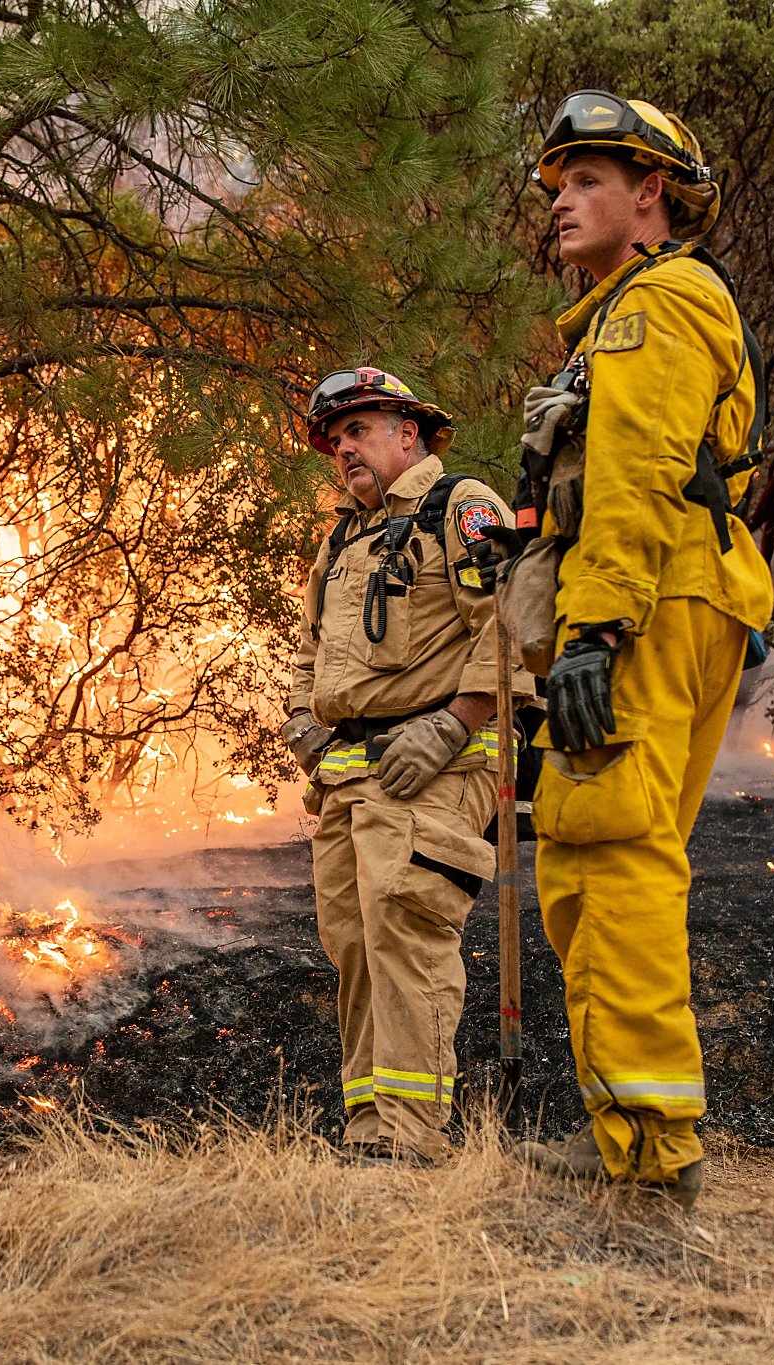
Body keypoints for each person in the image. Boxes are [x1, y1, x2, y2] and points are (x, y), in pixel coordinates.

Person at [516, 92, 774, 1211]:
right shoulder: (632, 312)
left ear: (648, 194)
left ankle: (645, 1149)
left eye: (584, 181)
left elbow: (632, 475)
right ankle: (625, 1121)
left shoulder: (653, 302)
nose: (560, 203)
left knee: (608, 855)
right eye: (556, 186)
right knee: (604, 854)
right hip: (668, 595)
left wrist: (591, 632)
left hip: (645, 603)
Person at [282, 369, 535, 1165]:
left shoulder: (459, 508)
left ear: (410, 431)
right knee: (355, 949)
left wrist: (454, 725)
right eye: (336, 438)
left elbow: (510, 625)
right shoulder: (342, 538)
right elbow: (309, 653)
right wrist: (305, 730)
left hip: (435, 766)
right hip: (349, 777)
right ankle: (370, 1130)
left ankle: (411, 1134)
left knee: (406, 936)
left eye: (360, 428)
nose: (345, 448)